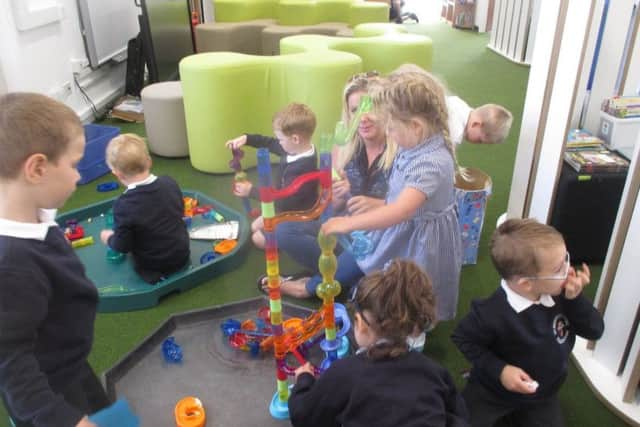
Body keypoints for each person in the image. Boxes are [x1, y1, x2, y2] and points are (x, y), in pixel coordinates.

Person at [279, 71, 463, 324]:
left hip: (414, 237)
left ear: (415, 127)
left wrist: (348, 223)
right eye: (355, 110)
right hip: (390, 230)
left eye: (391, 125)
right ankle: (352, 285)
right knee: (387, 285)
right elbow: (396, 203)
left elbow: (400, 210)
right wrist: (341, 199)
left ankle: (411, 330)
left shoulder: (428, 162)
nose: (388, 130)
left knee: (409, 291)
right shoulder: (413, 146)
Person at [0, 92, 110, 427]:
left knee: (105, 413)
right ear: (36, 168)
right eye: (75, 165)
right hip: (50, 391)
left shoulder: (35, 213)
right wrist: (65, 420)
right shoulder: (12, 265)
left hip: (69, 360)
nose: (79, 177)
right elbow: (9, 361)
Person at [451, 218, 605, 427]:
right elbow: (463, 338)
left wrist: (575, 300)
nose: (569, 270)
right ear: (525, 284)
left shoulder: (562, 295)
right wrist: (500, 370)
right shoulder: (490, 313)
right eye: (559, 268)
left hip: (542, 393)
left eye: (566, 259)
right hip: (493, 391)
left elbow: (595, 330)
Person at [288, 259, 469, 427]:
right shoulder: (434, 372)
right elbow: (459, 416)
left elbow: (304, 417)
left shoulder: (344, 374)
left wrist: (304, 381)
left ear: (359, 323)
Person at [274, 72, 395, 274]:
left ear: (384, 109)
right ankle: (343, 274)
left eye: (369, 107)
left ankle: (327, 279)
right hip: (344, 230)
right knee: (284, 231)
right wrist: (338, 197)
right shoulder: (344, 148)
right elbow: (331, 208)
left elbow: (412, 210)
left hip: (379, 236)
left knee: (364, 254)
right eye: (355, 110)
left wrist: (380, 205)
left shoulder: (399, 149)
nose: (362, 118)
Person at [225, 103, 318, 250]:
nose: (278, 142)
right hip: (282, 207)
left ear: (295, 139)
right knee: (254, 226)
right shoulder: (294, 148)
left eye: (280, 139)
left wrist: (251, 191)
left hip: (295, 215)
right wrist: (246, 139)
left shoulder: (302, 169)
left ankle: (288, 242)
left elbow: (284, 200)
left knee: (257, 239)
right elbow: (269, 143)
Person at [100, 133, 190, 284]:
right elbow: (179, 211)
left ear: (117, 173)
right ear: (149, 161)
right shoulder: (169, 182)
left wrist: (109, 238)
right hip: (182, 255)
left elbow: (123, 246)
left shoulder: (123, 205)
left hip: (153, 266)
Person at [392, 64, 513, 145]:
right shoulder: (457, 130)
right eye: (480, 140)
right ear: (476, 124)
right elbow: (448, 156)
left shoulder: (460, 104)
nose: (478, 143)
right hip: (403, 120)